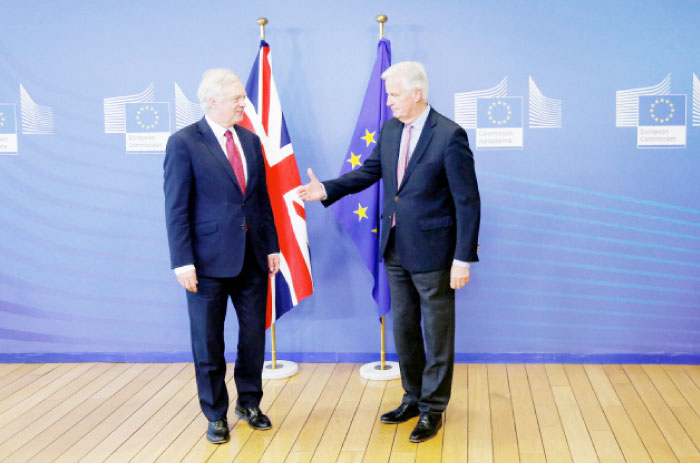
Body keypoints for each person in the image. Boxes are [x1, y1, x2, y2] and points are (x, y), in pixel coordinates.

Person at [298, 61, 480, 443]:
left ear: (417, 93)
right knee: (405, 329)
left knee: (437, 332)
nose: (389, 101)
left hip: (435, 252)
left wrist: (462, 258)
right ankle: (413, 397)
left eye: (394, 94)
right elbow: (368, 172)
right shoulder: (391, 129)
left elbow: (468, 201)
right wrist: (327, 189)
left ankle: (433, 409)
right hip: (394, 248)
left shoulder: (449, 135)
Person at [163, 68, 280, 444]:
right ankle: (215, 414)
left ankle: (249, 403)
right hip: (205, 263)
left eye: (243, 98)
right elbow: (176, 207)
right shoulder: (183, 142)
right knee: (208, 342)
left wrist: (273, 245)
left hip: (252, 258)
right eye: (237, 99)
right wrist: (183, 261)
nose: (243, 104)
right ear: (212, 100)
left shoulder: (249, 139)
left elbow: (261, 199)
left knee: (253, 339)